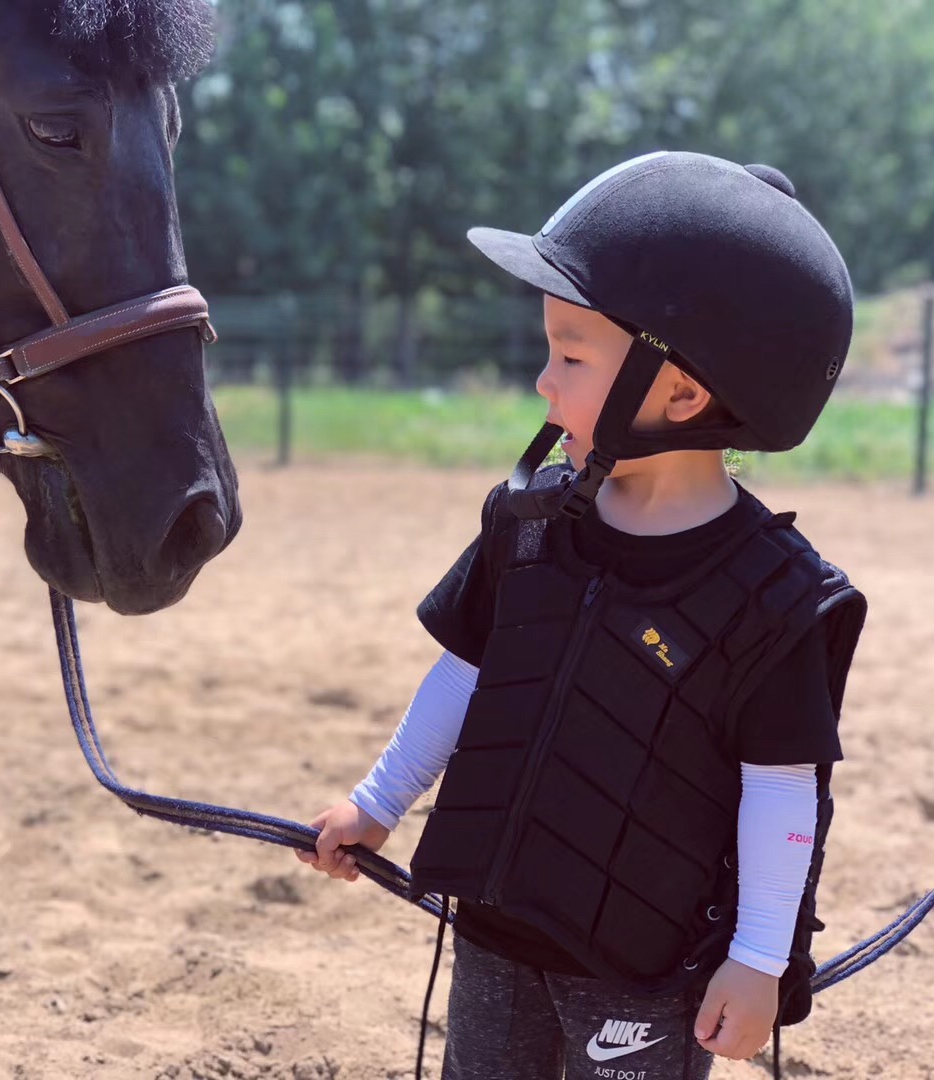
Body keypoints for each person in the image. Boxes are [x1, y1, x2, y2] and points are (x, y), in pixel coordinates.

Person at [295, 151, 867, 1080]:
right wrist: (377, 802)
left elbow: (782, 789)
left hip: (645, 971)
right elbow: (471, 673)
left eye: (570, 355)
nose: (542, 382)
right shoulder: (526, 530)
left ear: (681, 391)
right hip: (495, 932)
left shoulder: (776, 601)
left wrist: (762, 959)